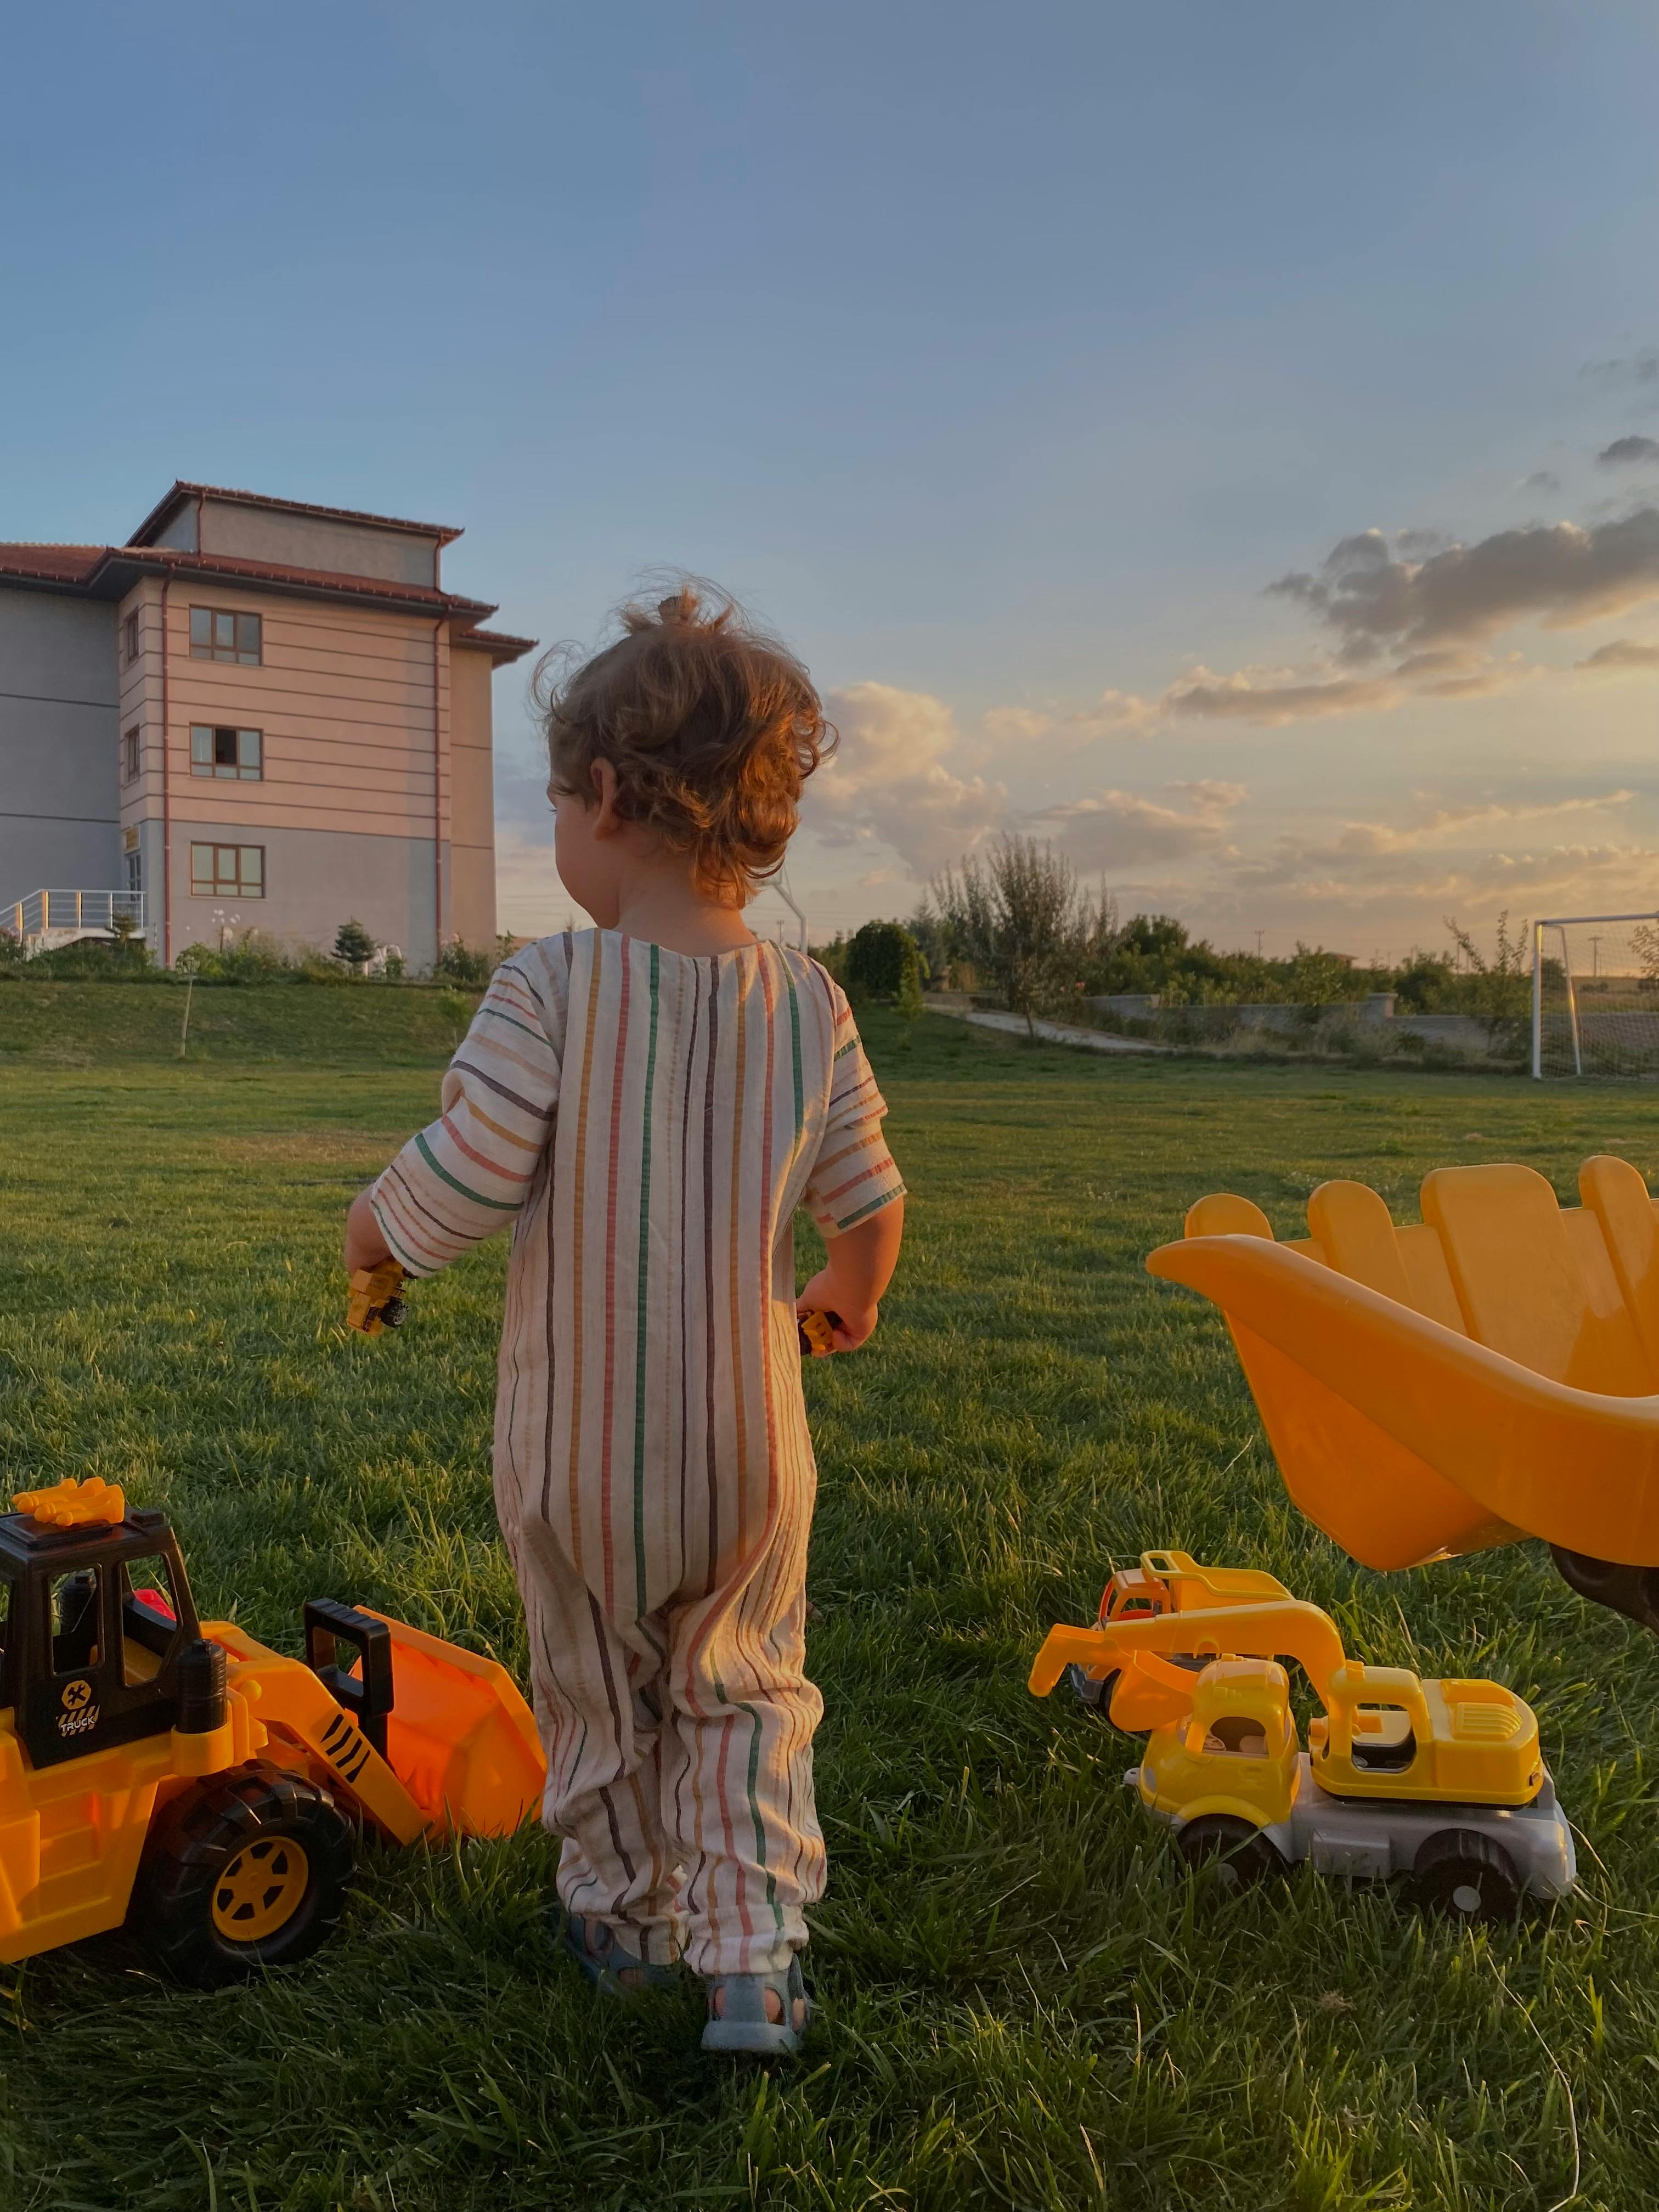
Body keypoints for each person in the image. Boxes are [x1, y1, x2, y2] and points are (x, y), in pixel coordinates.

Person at [344, 583, 905, 2056]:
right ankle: (753, 1962)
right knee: (742, 1686)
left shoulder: (550, 985)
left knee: (599, 1684)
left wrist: (372, 1233)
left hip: (582, 1454)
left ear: (601, 794)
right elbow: (869, 1197)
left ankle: (625, 1915)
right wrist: (844, 1291)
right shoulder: (809, 999)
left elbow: (460, 1184)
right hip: (747, 1449)